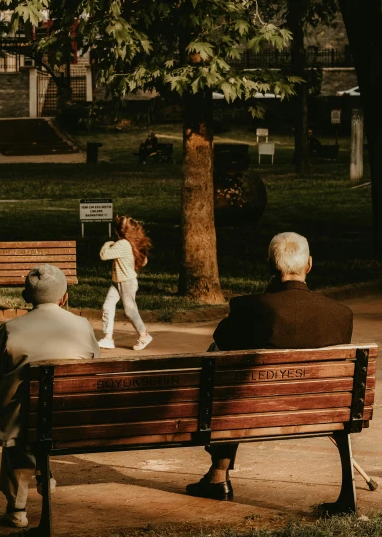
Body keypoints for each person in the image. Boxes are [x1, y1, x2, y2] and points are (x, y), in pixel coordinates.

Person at [186, 232, 353, 502]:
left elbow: (221, 340)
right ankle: (348, 494)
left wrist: (267, 294)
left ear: (270, 267)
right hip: (319, 410)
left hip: (250, 410)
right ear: (309, 264)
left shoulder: (250, 308)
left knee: (222, 366)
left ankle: (218, 475)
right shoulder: (340, 314)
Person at [0, 264, 100, 528]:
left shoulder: (10, 329)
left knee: (20, 421)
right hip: (72, 416)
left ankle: (17, 508)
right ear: (64, 297)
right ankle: (43, 473)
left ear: (26, 296)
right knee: (38, 418)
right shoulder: (82, 325)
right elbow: (93, 368)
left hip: (24, 420)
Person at [98, 215, 152, 351]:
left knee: (130, 311)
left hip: (126, 282)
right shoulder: (129, 243)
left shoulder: (122, 244)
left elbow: (104, 255)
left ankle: (144, 335)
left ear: (118, 231)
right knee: (107, 306)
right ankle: (108, 338)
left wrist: (107, 243)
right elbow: (144, 261)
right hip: (117, 282)